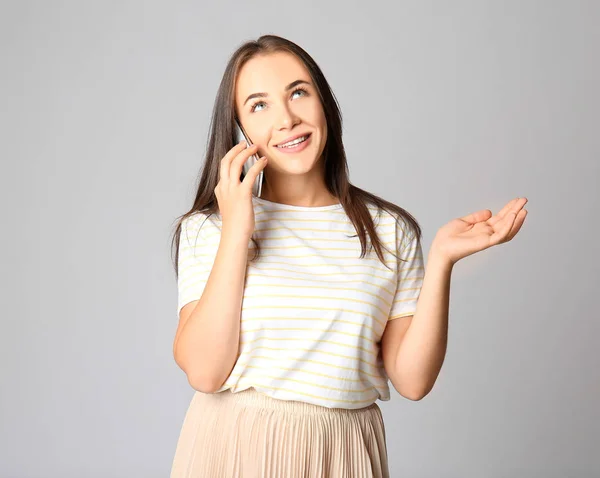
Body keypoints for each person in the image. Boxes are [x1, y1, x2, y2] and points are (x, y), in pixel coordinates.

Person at [169, 35, 528, 478]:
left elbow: (413, 381)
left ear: (324, 104)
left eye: (298, 92)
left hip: (343, 452)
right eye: (259, 105)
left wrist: (441, 262)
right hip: (234, 448)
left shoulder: (388, 231)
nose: (286, 119)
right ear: (240, 128)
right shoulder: (210, 228)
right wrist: (238, 229)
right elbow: (204, 372)